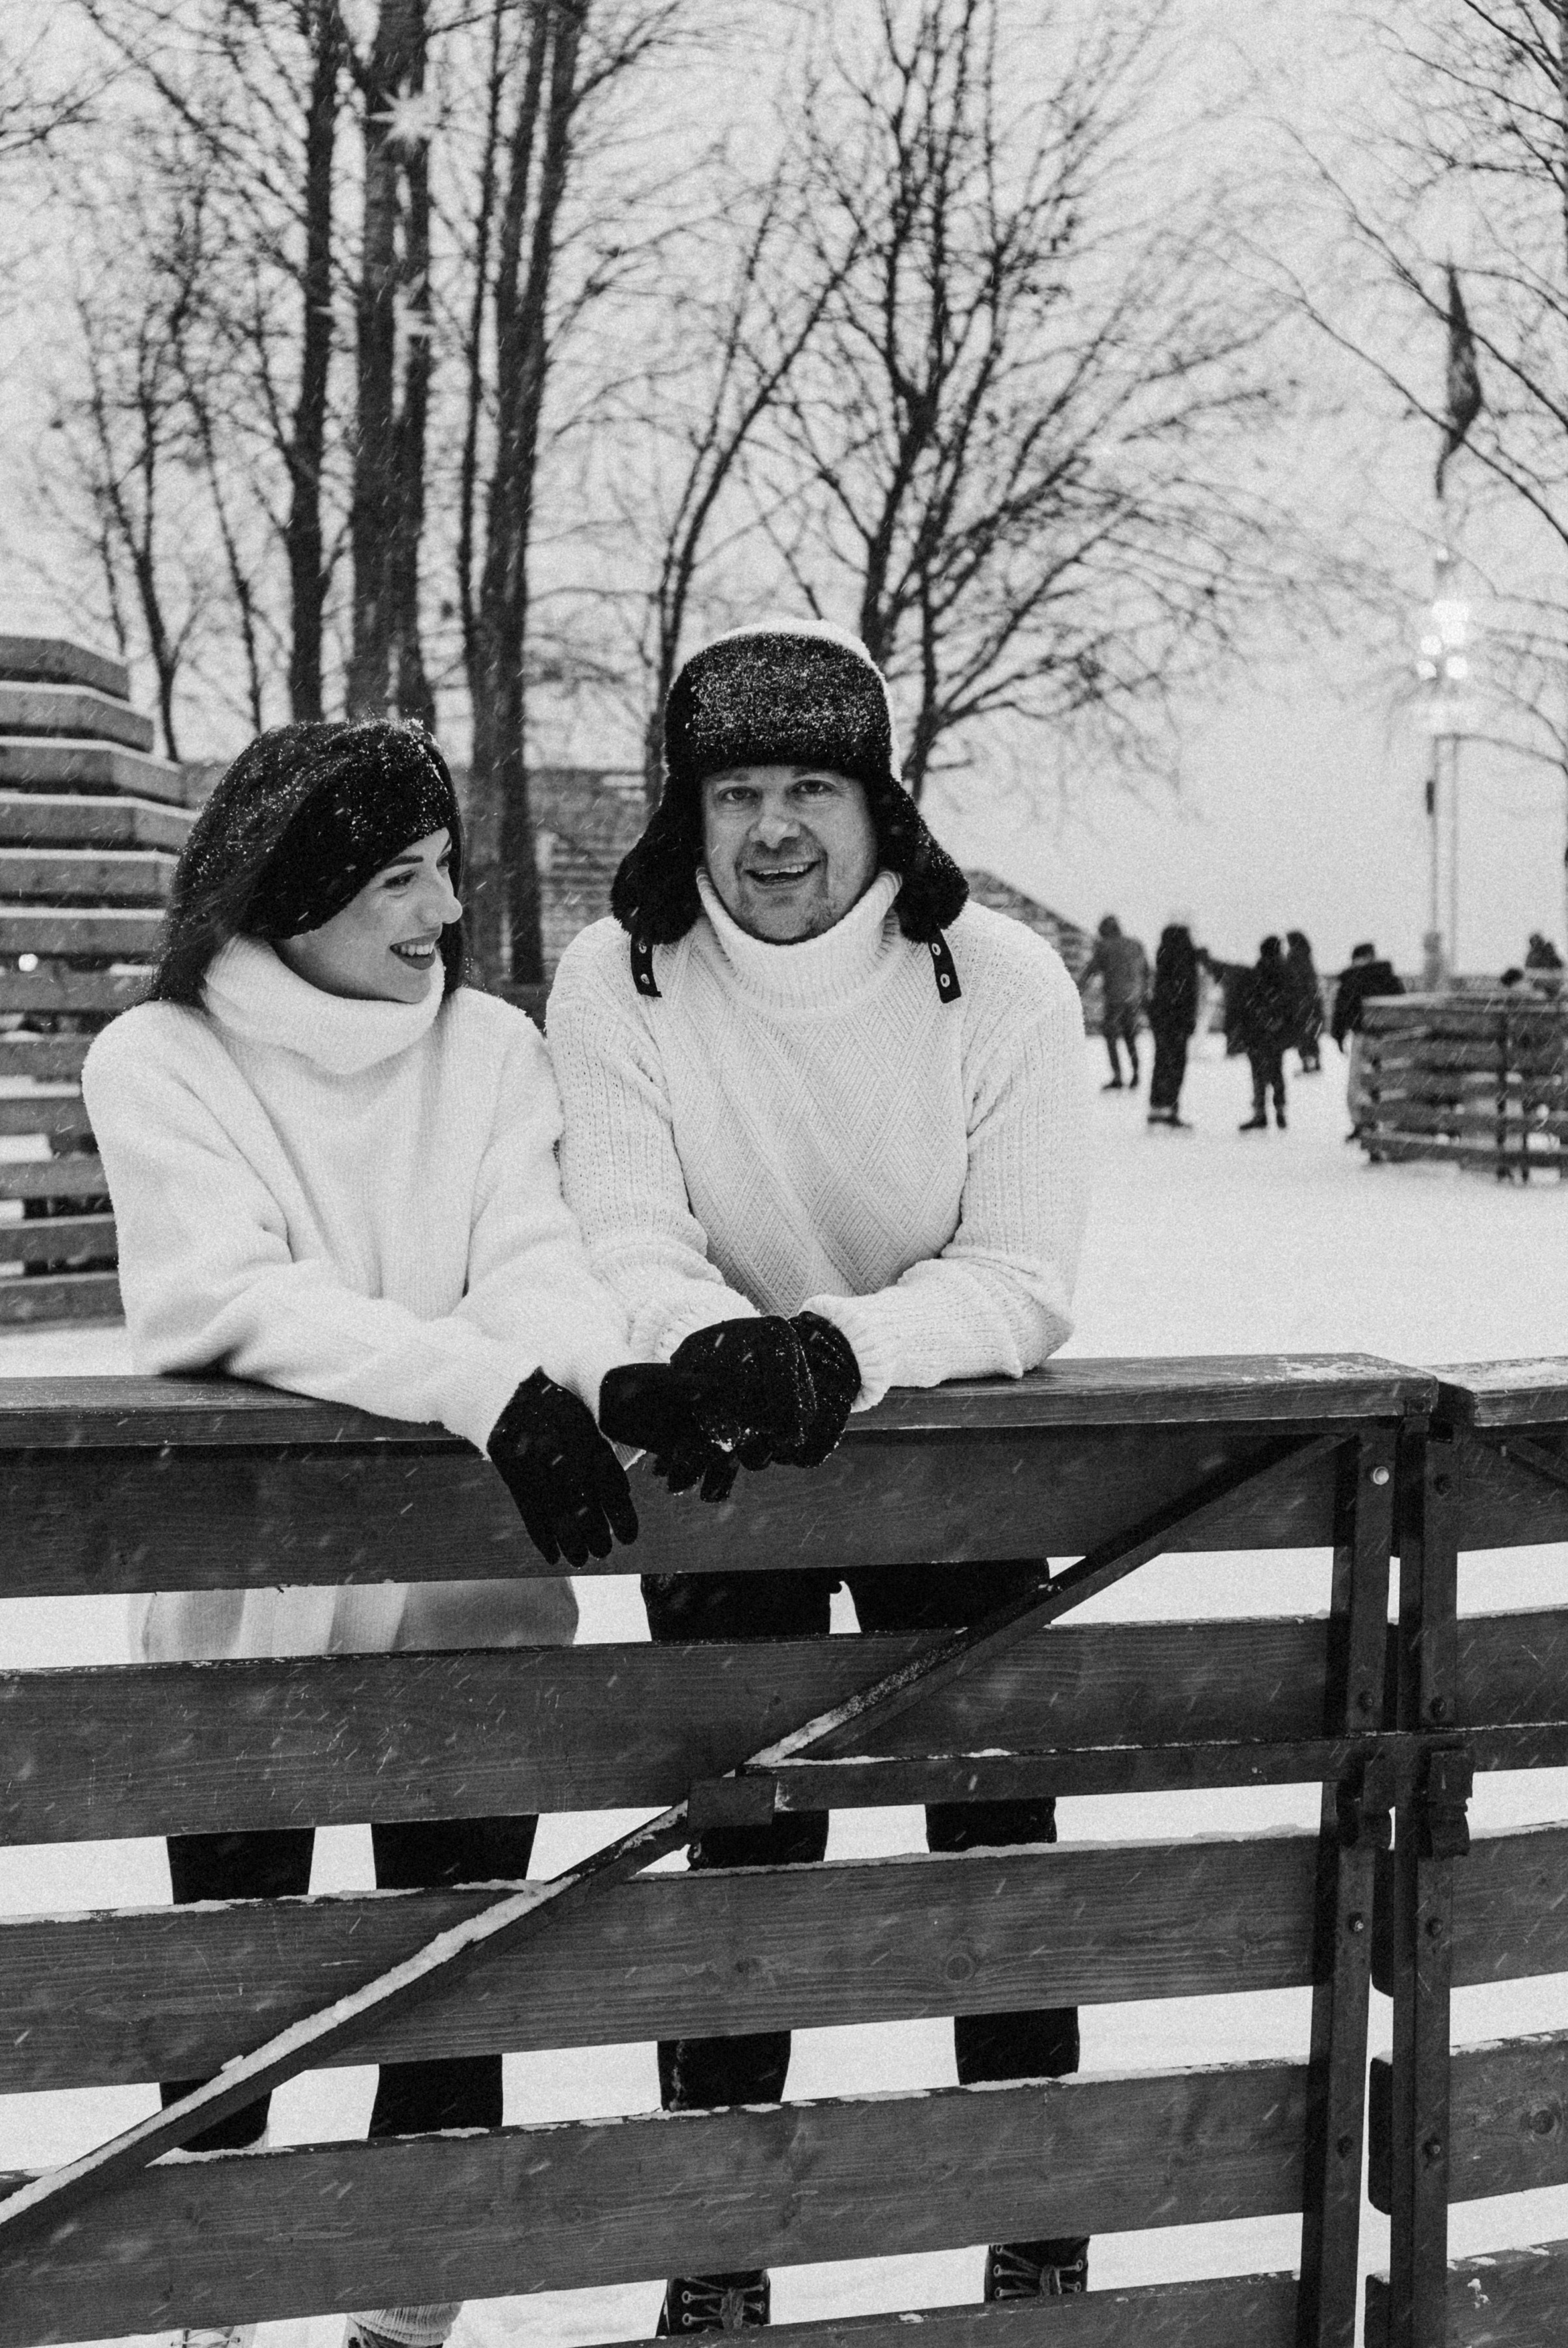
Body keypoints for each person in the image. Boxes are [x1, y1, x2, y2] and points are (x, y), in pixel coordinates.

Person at [82, 720, 714, 2348]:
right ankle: (213, 2317)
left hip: (463, 1616)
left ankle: (402, 2332)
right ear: (296, 897)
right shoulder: (161, 1058)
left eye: (445, 867)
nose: (440, 909)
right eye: (395, 879)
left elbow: (524, 1252)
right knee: (235, 2020)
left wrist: (596, 1365)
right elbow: (223, 1293)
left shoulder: (488, 1051)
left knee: (444, 2004)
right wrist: (485, 1390)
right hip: (247, 1629)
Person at [547, 617, 1092, 2329]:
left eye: (808, 787)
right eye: (733, 791)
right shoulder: (616, 974)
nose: (771, 829)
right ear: (685, 811)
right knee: (734, 1851)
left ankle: (1032, 2228)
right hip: (726, 1469)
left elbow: (1018, 1268)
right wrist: (707, 1340)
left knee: (987, 1850)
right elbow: (623, 1224)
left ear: (877, 803)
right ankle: (717, 2248)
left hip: (948, 1461)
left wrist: (839, 1349)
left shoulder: (996, 978)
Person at [1202, 936, 1291, 1129]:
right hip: (1276, 1030)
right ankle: (1281, 1110)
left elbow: (1242, 995)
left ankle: (1260, 1113)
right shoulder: (1286, 973)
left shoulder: (1256, 973)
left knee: (1258, 1073)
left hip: (1257, 1030)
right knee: (1277, 1071)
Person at [1330, 939, 1405, 1143]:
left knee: (1359, 1082)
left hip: (1363, 1037)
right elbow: (1402, 1006)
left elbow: (1341, 1010)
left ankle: (1363, 1122)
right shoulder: (1388, 977)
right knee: (1386, 1081)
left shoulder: (1350, 978)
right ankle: (1389, 1123)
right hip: (1387, 1037)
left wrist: (1338, 1035)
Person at [1078, 912, 1151, 1089]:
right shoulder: (1135, 944)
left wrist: (1076, 991)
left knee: (1111, 1035)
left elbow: (1090, 971)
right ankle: (1136, 1075)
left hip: (1115, 999)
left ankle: (1118, 1077)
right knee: (1130, 1036)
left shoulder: (1105, 946)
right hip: (1133, 998)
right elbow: (1147, 971)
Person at [1147, 922, 1199, 1126]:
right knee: (1176, 1063)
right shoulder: (1187, 957)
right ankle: (1170, 1108)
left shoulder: (1163, 955)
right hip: (1179, 1019)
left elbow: (1161, 988)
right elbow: (1188, 992)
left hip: (1162, 1017)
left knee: (1161, 1061)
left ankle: (1157, 1106)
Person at [1284, 929, 1324, 1073]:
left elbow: (1291, 980)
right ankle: (1316, 1061)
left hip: (1299, 1001)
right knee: (1312, 1033)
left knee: (1302, 1034)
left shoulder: (1293, 956)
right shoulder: (1307, 955)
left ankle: (1307, 1064)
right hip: (1312, 1001)